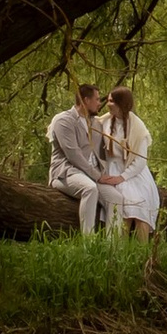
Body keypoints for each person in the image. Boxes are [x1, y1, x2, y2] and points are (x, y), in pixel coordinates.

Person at [47, 78, 119, 235]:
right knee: (90, 189)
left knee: (116, 198)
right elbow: (73, 154)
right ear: (86, 100)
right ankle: (89, 242)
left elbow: (103, 151)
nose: (100, 103)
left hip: (91, 174)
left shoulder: (96, 123)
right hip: (65, 173)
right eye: (97, 99)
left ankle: (113, 246)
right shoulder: (63, 121)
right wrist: (97, 176)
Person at [95, 81, 160, 236]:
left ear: (121, 104)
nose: (107, 104)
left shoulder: (138, 127)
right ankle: (120, 251)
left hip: (134, 173)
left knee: (140, 205)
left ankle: (142, 252)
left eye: (111, 101)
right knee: (123, 207)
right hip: (112, 170)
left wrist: (122, 177)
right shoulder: (104, 121)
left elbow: (140, 161)